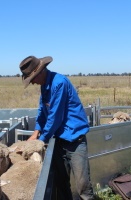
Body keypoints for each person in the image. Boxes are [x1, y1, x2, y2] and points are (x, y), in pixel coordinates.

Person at [19, 56, 94, 200]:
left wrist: (40, 141)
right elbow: (42, 112)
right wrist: (35, 133)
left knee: (83, 185)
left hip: (75, 141)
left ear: (40, 72)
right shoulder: (44, 85)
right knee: (61, 184)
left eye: (32, 78)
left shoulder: (59, 83)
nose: (33, 82)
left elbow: (55, 117)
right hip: (59, 142)